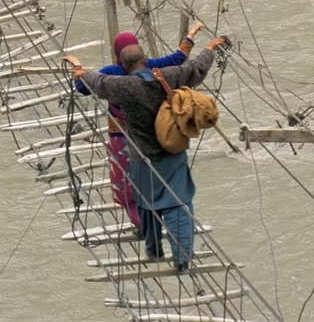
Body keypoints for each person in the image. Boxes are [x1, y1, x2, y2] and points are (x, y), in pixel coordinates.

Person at [66, 36, 224, 272]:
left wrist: (80, 70)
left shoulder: (124, 87)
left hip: (141, 155)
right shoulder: (167, 76)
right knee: (178, 203)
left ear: (123, 65)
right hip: (173, 151)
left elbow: (98, 82)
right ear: (146, 60)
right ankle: (181, 258)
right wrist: (210, 48)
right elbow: (196, 68)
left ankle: (153, 249)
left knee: (146, 201)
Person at [74, 24, 206, 230]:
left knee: (126, 182)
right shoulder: (152, 66)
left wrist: (79, 70)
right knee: (155, 176)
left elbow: (84, 87)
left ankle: (141, 222)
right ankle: (167, 214)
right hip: (150, 132)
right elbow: (177, 58)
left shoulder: (112, 72)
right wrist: (190, 36)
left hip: (121, 135)